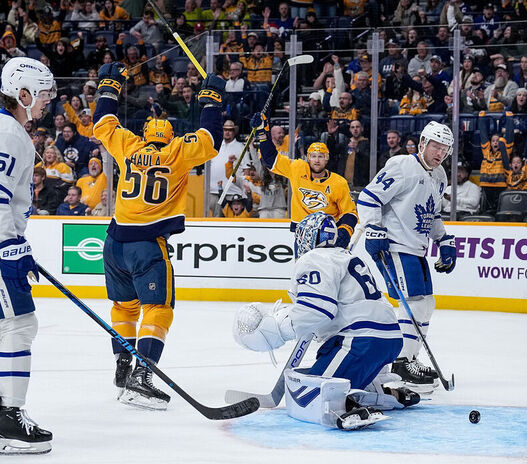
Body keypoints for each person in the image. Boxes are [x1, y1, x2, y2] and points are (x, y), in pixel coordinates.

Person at [92, 61, 226, 410]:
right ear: (167, 136)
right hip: (147, 246)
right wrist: (211, 98)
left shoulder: (129, 147)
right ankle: (142, 375)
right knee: (158, 308)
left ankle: (123, 367)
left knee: (124, 306)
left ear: (145, 134)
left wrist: (110, 87)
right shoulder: (176, 151)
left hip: (114, 243)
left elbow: (103, 122)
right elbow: (211, 138)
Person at [233, 212, 420, 430]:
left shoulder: (315, 258)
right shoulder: (344, 256)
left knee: (310, 394)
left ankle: (346, 408)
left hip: (359, 341)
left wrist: (275, 329)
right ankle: (385, 394)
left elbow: (316, 310)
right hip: (388, 339)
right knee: (328, 367)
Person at [357, 121, 457, 391]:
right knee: (412, 303)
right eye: (436, 146)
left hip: (416, 248)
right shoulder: (402, 165)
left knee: (427, 304)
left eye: (445, 149)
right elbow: (368, 198)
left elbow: (433, 214)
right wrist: (373, 229)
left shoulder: (439, 176)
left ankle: (409, 358)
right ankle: (401, 362)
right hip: (394, 244)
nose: (440, 153)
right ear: (423, 143)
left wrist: (443, 239)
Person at [0, 56, 56, 454]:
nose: (46, 104)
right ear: (24, 93)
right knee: (20, 324)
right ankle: (9, 419)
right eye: (43, 96)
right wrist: (9, 247)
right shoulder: (10, 133)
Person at [250, 113, 357, 247]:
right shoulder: (297, 168)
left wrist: (345, 232)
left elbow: (349, 212)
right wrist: (262, 132)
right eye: (313, 156)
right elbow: (270, 159)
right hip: (303, 235)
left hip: (329, 237)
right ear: (308, 158)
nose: (317, 160)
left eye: (321, 156)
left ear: (327, 159)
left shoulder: (338, 182)